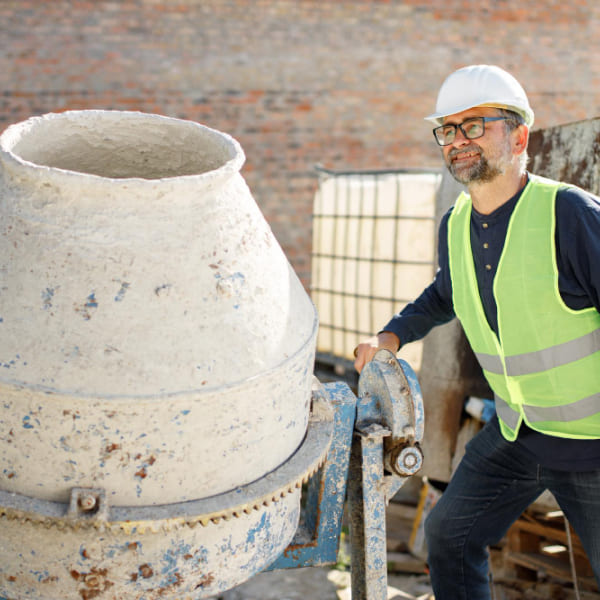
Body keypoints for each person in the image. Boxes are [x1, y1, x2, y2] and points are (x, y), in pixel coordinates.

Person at [354, 64, 600, 599]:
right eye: (447, 128)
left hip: (591, 443)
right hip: (519, 434)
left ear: (519, 136)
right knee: (449, 533)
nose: (457, 140)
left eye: (474, 125)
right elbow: (447, 293)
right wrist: (390, 337)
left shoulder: (569, 213)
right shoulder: (458, 224)